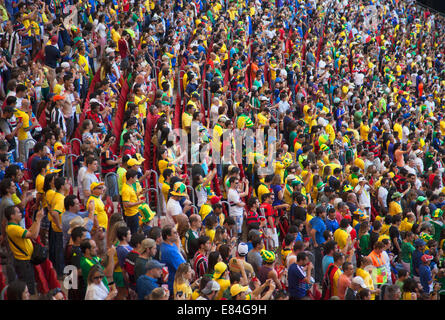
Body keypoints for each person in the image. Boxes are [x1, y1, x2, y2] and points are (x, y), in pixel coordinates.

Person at [5, 205, 44, 297]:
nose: (20, 214)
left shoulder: (15, 226)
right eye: (18, 212)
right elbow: (33, 235)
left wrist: (36, 220)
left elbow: (30, 231)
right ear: (12, 216)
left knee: (29, 284)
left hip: (25, 260)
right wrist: (38, 219)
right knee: (27, 287)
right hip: (23, 262)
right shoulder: (13, 228)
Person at [160, 225, 186, 293]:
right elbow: (183, 268)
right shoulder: (169, 251)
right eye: (175, 233)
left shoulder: (168, 244)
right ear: (168, 236)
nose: (177, 234)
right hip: (174, 284)